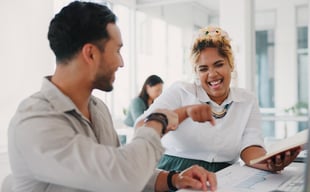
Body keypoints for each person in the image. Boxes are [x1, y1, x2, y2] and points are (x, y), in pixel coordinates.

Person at [7, 2, 217, 192]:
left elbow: (117, 169)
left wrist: (174, 179)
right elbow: (124, 176)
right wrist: (157, 121)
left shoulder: (97, 108)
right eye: (117, 50)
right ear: (90, 54)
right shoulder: (35, 122)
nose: (121, 62)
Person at [136, 25, 301, 174]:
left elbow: (250, 146)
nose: (212, 74)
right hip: (175, 173)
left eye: (219, 64)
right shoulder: (180, 91)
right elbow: (141, 127)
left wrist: (268, 163)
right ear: (196, 72)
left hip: (225, 175)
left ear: (231, 64)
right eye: (203, 69)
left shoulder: (247, 100)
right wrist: (183, 113)